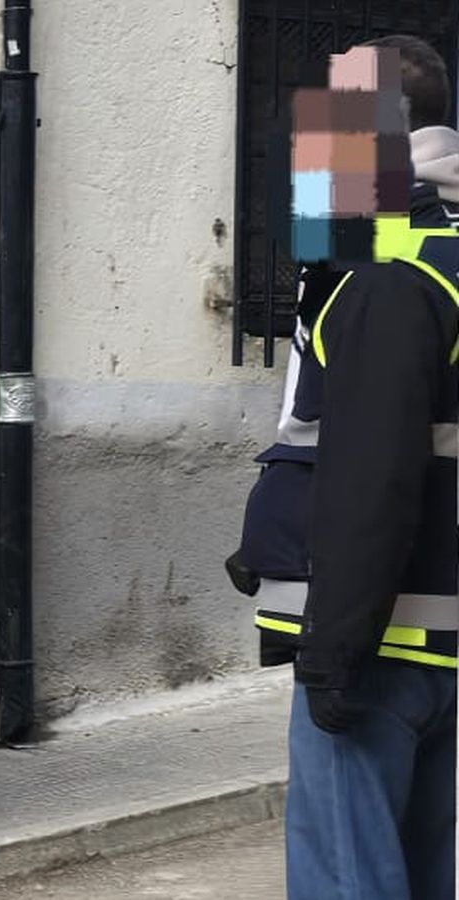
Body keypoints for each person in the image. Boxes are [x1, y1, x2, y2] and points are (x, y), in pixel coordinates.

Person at [236, 36, 458, 900]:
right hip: (436, 641)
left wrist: (331, 653)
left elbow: (374, 477)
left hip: (380, 645)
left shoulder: (388, 281)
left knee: (347, 878)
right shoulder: (424, 258)